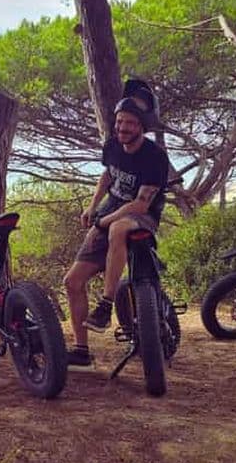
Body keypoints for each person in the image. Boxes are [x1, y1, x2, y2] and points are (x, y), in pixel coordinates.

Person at [63, 81, 169, 367]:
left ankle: (107, 303)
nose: (123, 127)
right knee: (72, 281)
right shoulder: (112, 144)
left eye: (130, 123)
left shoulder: (155, 157)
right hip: (110, 208)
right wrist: (93, 206)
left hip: (141, 214)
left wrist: (104, 221)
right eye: (120, 121)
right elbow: (107, 176)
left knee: (118, 228)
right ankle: (82, 350)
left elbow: (141, 204)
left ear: (142, 127)